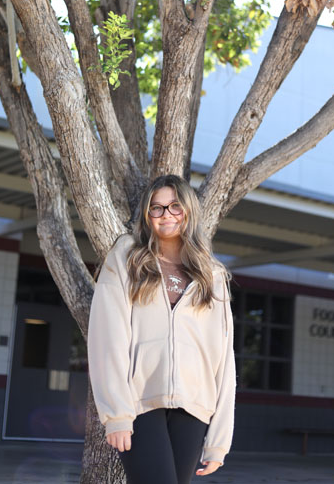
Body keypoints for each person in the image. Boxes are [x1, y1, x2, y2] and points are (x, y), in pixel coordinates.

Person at [87, 174, 236, 484]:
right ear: (147, 215)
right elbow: (107, 336)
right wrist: (116, 414)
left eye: (175, 206)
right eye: (157, 208)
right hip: (140, 402)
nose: (166, 214)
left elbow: (223, 358)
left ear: (189, 212)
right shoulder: (127, 257)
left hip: (193, 409)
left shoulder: (213, 274)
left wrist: (219, 441)